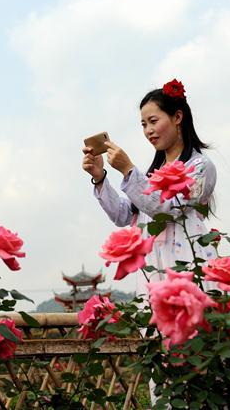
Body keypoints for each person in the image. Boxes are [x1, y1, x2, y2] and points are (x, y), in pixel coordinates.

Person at [82, 79, 217, 295]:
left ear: (177, 117)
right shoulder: (152, 175)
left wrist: (127, 169)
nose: (148, 131)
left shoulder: (200, 166)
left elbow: (167, 210)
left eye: (153, 121)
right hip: (153, 267)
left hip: (188, 262)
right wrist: (100, 178)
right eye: (144, 125)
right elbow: (124, 215)